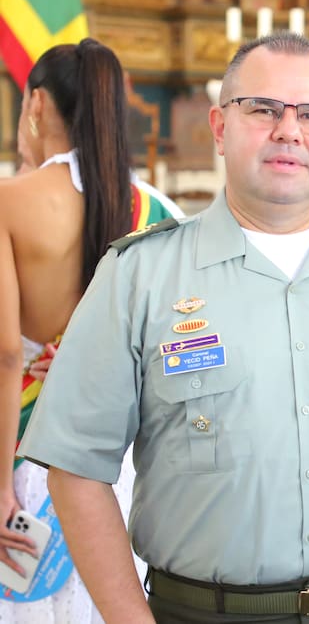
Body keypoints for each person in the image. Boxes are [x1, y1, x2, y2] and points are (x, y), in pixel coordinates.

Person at [17, 32, 309, 623]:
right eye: (263, 109)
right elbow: (76, 467)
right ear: (220, 127)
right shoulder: (139, 276)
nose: (288, 130)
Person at [0, 38, 177, 622]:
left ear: (38, 105)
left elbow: (5, 357)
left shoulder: (10, 203)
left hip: (23, 453)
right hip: (120, 466)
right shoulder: (157, 211)